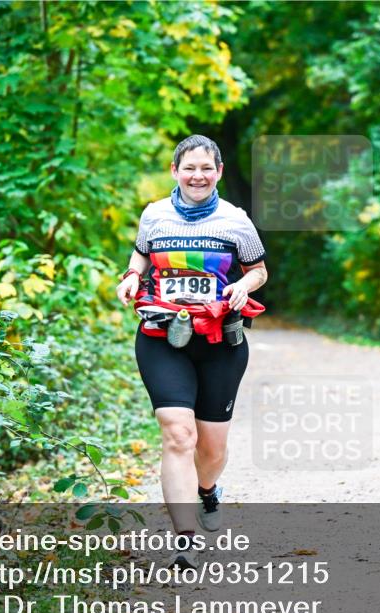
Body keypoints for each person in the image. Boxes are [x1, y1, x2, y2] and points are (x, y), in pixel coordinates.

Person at [116, 135, 268, 569]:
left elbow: (258, 270)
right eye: (189, 168)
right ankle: (184, 539)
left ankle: (207, 491)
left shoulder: (235, 220)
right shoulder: (155, 215)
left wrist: (242, 284)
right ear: (174, 171)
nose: (197, 176)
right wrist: (132, 275)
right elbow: (142, 254)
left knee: (211, 448)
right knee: (177, 433)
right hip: (162, 335)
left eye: (206, 168)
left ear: (218, 172)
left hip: (220, 340)